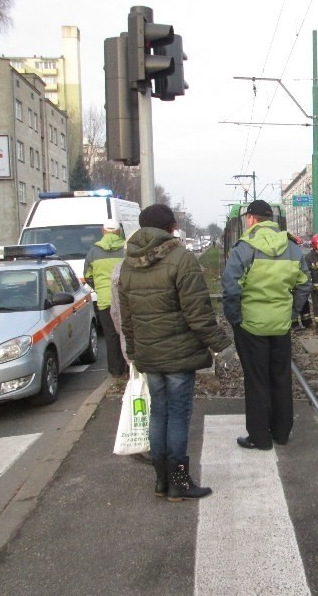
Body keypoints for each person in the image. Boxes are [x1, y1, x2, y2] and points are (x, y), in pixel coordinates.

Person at [118, 204, 234, 502]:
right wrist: (222, 345)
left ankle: (161, 481)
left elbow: (127, 317)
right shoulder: (181, 259)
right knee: (178, 417)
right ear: (170, 227)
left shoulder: (128, 264)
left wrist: (133, 352)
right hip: (179, 355)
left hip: (149, 354)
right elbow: (198, 313)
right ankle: (179, 483)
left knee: (159, 413)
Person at [222, 199, 312, 450]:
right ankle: (282, 433)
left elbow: (230, 288)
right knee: (281, 377)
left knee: (256, 380)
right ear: (271, 220)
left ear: (250, 219)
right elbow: (305, 284)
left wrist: (235, 319)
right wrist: (291, 312)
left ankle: (260, 437)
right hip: (280, 325)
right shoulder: (293, 248)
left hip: (251, 326)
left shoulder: (244, 248)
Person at [84, 220, 127, 376]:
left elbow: (87, 275)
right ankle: (130, 367)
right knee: (127, 332)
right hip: (125, 298)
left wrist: (100, 288)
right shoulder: (126, 248)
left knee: (111, 336)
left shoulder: (93, 251)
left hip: (105, 300)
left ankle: (116, 371)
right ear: (118, 232)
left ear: (103, 231)